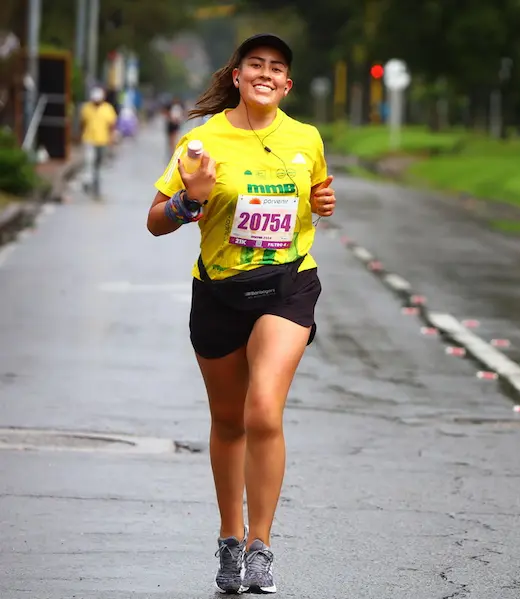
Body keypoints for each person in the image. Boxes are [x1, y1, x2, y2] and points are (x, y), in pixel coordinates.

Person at [146, 33, 336, 595]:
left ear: (287, 84)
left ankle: (260, 545)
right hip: (219, 293)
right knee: (228, 422)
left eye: (277, 68)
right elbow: (156, 220)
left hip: (288, 285)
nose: (266, 74)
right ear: (237, 75)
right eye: (256, 64)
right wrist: (190, 200)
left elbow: (317, 195)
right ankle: (230, 539)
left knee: (262, 411)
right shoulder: (202, 141)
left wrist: (322, 203)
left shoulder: (305, 137)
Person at [79, 86, 117, 194]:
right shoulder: (86, 108)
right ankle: (87, 181)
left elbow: (111, 125)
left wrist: (111, 138)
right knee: (89, 160)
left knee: (98, 163)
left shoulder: (107, 108)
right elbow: (82, 122)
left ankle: (97, 182)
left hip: (103, 140)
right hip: (89, 139)